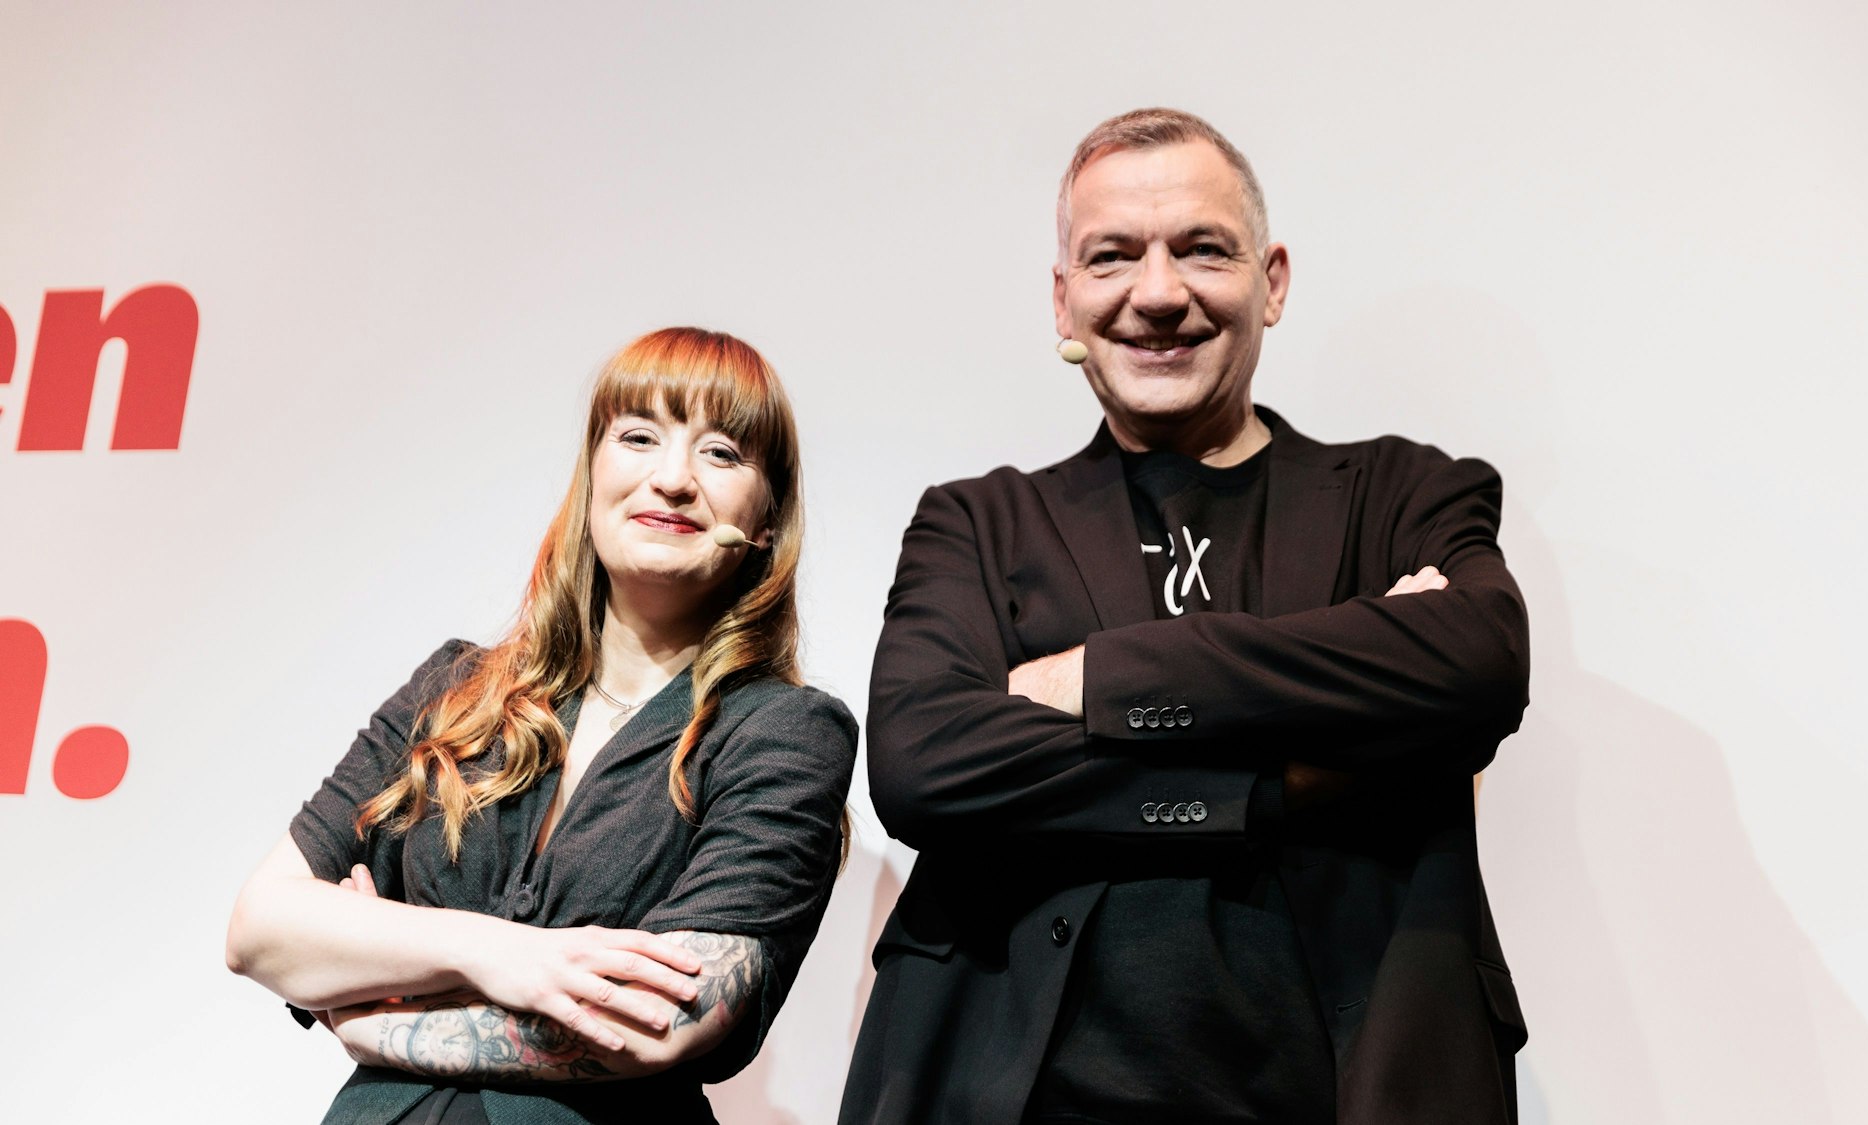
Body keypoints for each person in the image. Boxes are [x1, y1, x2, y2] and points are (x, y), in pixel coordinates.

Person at [840, 109, 1531, 1124]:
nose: (1157, 295)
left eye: (1200, 250)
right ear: (1064, 300)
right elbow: (923, 763)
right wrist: (1275, 781)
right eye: (1111, 257)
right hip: (1012, 1092)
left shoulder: (1401, 494)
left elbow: (1473, 665)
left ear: (1272, 279)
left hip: (1354, 1082)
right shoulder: (976, 524)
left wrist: (1105, 682)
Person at [226, 327, 857, 1125]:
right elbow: (260, 927)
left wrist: (382, 1005)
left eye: (722, 453)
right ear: (593, 474)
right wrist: (498, 954)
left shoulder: (784, 731)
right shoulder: (457, 688)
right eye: (638, 437)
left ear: (766, 522)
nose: (672, 479)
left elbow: (662, 1017)